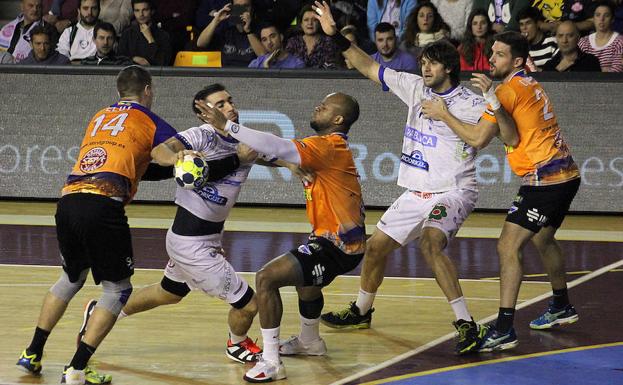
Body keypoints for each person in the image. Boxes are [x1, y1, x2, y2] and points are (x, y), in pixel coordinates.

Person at [313, 1, 503, 356]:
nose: (424, 68)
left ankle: (466, 324)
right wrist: (334, 34)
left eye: (431, 63)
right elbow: (367, 65)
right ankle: (361, 311)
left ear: (448, 67)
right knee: (375, 249)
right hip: (416, 192)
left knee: (430, 244)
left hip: (454, 191)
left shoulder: (472, 103)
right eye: (423, 63)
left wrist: (443, 114)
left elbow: (480, 139)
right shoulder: (415, 88)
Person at [76, 84, 306, 366]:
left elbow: (265, 154)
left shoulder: (243, 139)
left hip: (202, 239)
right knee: (250, 303)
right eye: (220, 104)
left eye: (230, 101)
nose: (230, 107)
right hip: (191, 244)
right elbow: (160, 151)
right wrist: (177, 159)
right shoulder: (200, 136)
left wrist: (290, 165)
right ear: (203, 113)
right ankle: (236, 345)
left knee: (168, 293)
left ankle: (103, 311)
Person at [15, 65, 179, 385]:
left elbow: (135, 165)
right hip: (103, 206)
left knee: (71, 277)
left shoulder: (100, 116)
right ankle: (76, 369)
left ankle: (32, 352)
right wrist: (189, 161)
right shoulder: (149, 119)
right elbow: (170, 154)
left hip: (68, 202)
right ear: (147, 90)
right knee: (118, 289)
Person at [421, 31, 581, 352]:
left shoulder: (509, 90)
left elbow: (479, 139)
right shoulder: (524, 83)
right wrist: (493, 100)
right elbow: (510, 136)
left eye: (499, 55)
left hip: (545, 178)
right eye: (491, 53)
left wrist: (444, 114)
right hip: (566, 173)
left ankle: (505, 327)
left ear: (517, 61)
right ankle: (561, 304)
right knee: (542, 237)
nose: (491, 59)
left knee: (507, 246)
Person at [196, 89, 366, 382]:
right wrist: (284, 162)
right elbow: (270, 153)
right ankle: (310, 342)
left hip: (338, 246)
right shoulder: (331, 146)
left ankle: (272, 362)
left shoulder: (328, 145)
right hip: (338, 241)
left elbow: (275, 144)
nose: (317, 106)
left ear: (338, 118)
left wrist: (228, 126)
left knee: (266, 278)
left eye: (324, 107)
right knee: (307, 283)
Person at [196, 0, 265, 67]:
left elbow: (264, 58)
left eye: (246, 6)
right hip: (227, 75)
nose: (241, 10)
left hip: (252, 76)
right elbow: (200, 43)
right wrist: (216, 20)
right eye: (237, 6)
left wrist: (248, 30)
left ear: (252, 8)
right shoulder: (225, 30)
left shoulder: (260, 30)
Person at [286, 4, 341, 69]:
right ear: (301, 24)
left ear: (320, 23)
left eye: (314, 20)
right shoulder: (293, 42)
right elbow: (287, 65)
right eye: (306, 20)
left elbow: (331, 67)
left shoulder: (328, 42)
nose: (310, 23)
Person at [118, 0, 172, 66]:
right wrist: (133, 59)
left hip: (154, 75)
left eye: (145, 10)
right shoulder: (127, 34)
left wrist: (150, 39)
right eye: (137, 10)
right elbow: (119, 60)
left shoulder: (163, 35)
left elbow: (163, 62)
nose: (141, 14)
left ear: (152, 11)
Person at [578, 0, 623, 72]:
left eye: (606, 15)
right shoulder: (583, 42)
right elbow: (577, 69)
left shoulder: (620, 42)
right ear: (593, 18)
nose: (601, 19)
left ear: (612, 19)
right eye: (598, 15)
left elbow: (616, 71)